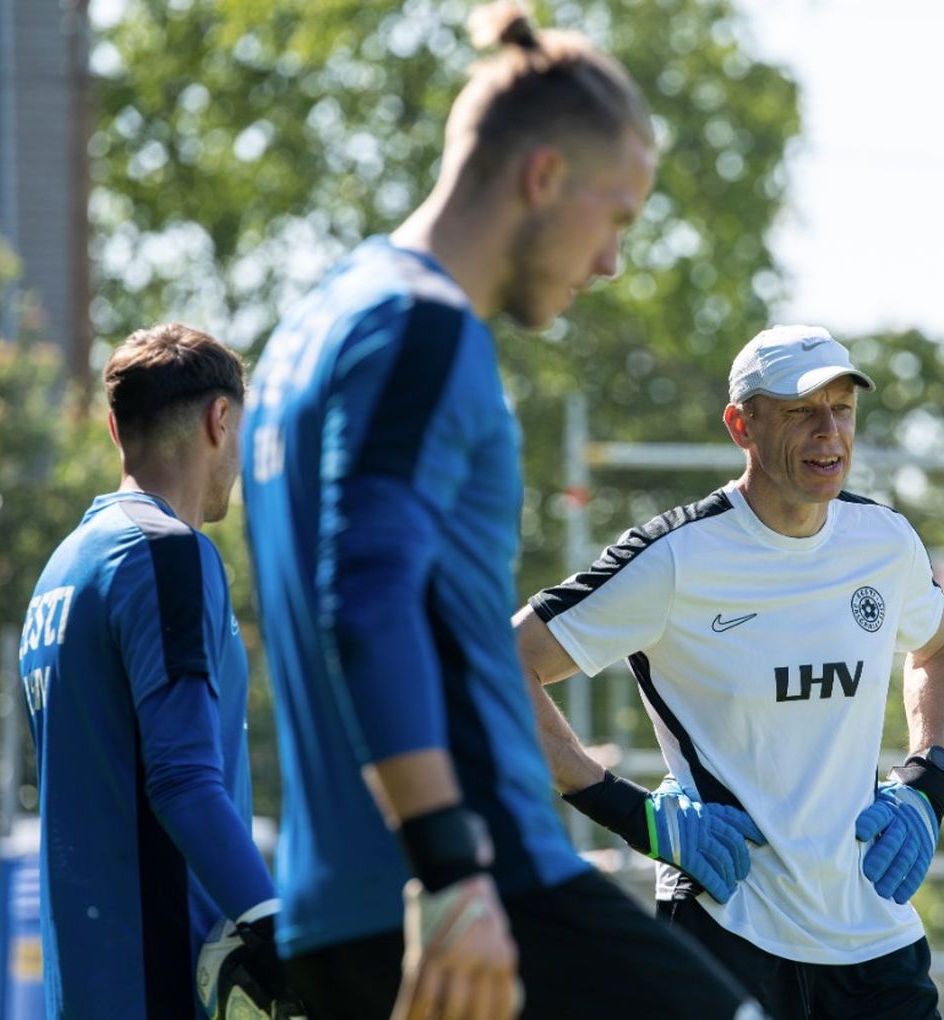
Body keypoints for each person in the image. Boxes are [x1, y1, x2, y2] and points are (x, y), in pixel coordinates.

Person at [240, 4, 759, 1018]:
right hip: (477, 894)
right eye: (618, 216)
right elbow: (366, 601)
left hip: (344, 911)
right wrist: (449, 869)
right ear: (544, 177)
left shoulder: (315, 327)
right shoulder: (422, 327)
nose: (610, 262)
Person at [514, 323, 944, 1019]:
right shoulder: (675, 559)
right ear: (741, 426)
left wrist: (926, 775)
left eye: (842, 408)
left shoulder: (886, 542)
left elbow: (940, 651)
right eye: (799, 410)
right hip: (726, 932)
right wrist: (628, 812)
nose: (829, 432)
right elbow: (498, 664)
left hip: (872, 933)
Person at [17, 323, 296, 1019]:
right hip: (162, 983)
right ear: (220, 418)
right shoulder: (167, 553)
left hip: (81, 991)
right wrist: (276, 935)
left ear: (115, 429)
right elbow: (182, 778)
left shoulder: (63, 570)